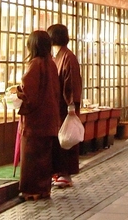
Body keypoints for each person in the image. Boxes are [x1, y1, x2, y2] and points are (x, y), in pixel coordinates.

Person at [16, 30, 61, 201]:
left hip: (35, 121)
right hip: (50, 119)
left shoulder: (35, 64)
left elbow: (29, 93)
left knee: (31, 157)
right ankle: (44, 190)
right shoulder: (51, 63)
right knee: (44, 157)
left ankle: (31, 191)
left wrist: (18, 94)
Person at [47, 23, 83, 189]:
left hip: (66, 107)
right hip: (59, 106)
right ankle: (60, 172)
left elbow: (71, 84)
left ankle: (65, 173)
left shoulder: (68, 57)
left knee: (66, 139)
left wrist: (71, 106)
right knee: (61, 139)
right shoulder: (60, 56)